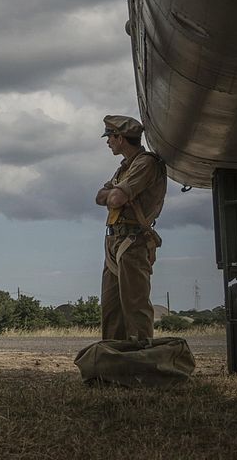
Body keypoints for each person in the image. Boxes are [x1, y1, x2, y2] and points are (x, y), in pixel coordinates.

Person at [94, 114, 166, 341]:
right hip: (115, 241)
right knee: (111, 309)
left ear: (120, 138)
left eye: (110, 137)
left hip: (133, 241)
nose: (108, 142)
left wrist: (115, 194)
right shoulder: (124, 167)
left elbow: (114, 199)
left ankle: (142, 356)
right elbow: (100, 197)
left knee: (135, 306)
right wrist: (115, 195)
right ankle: (114, 357)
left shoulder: (146, 163)